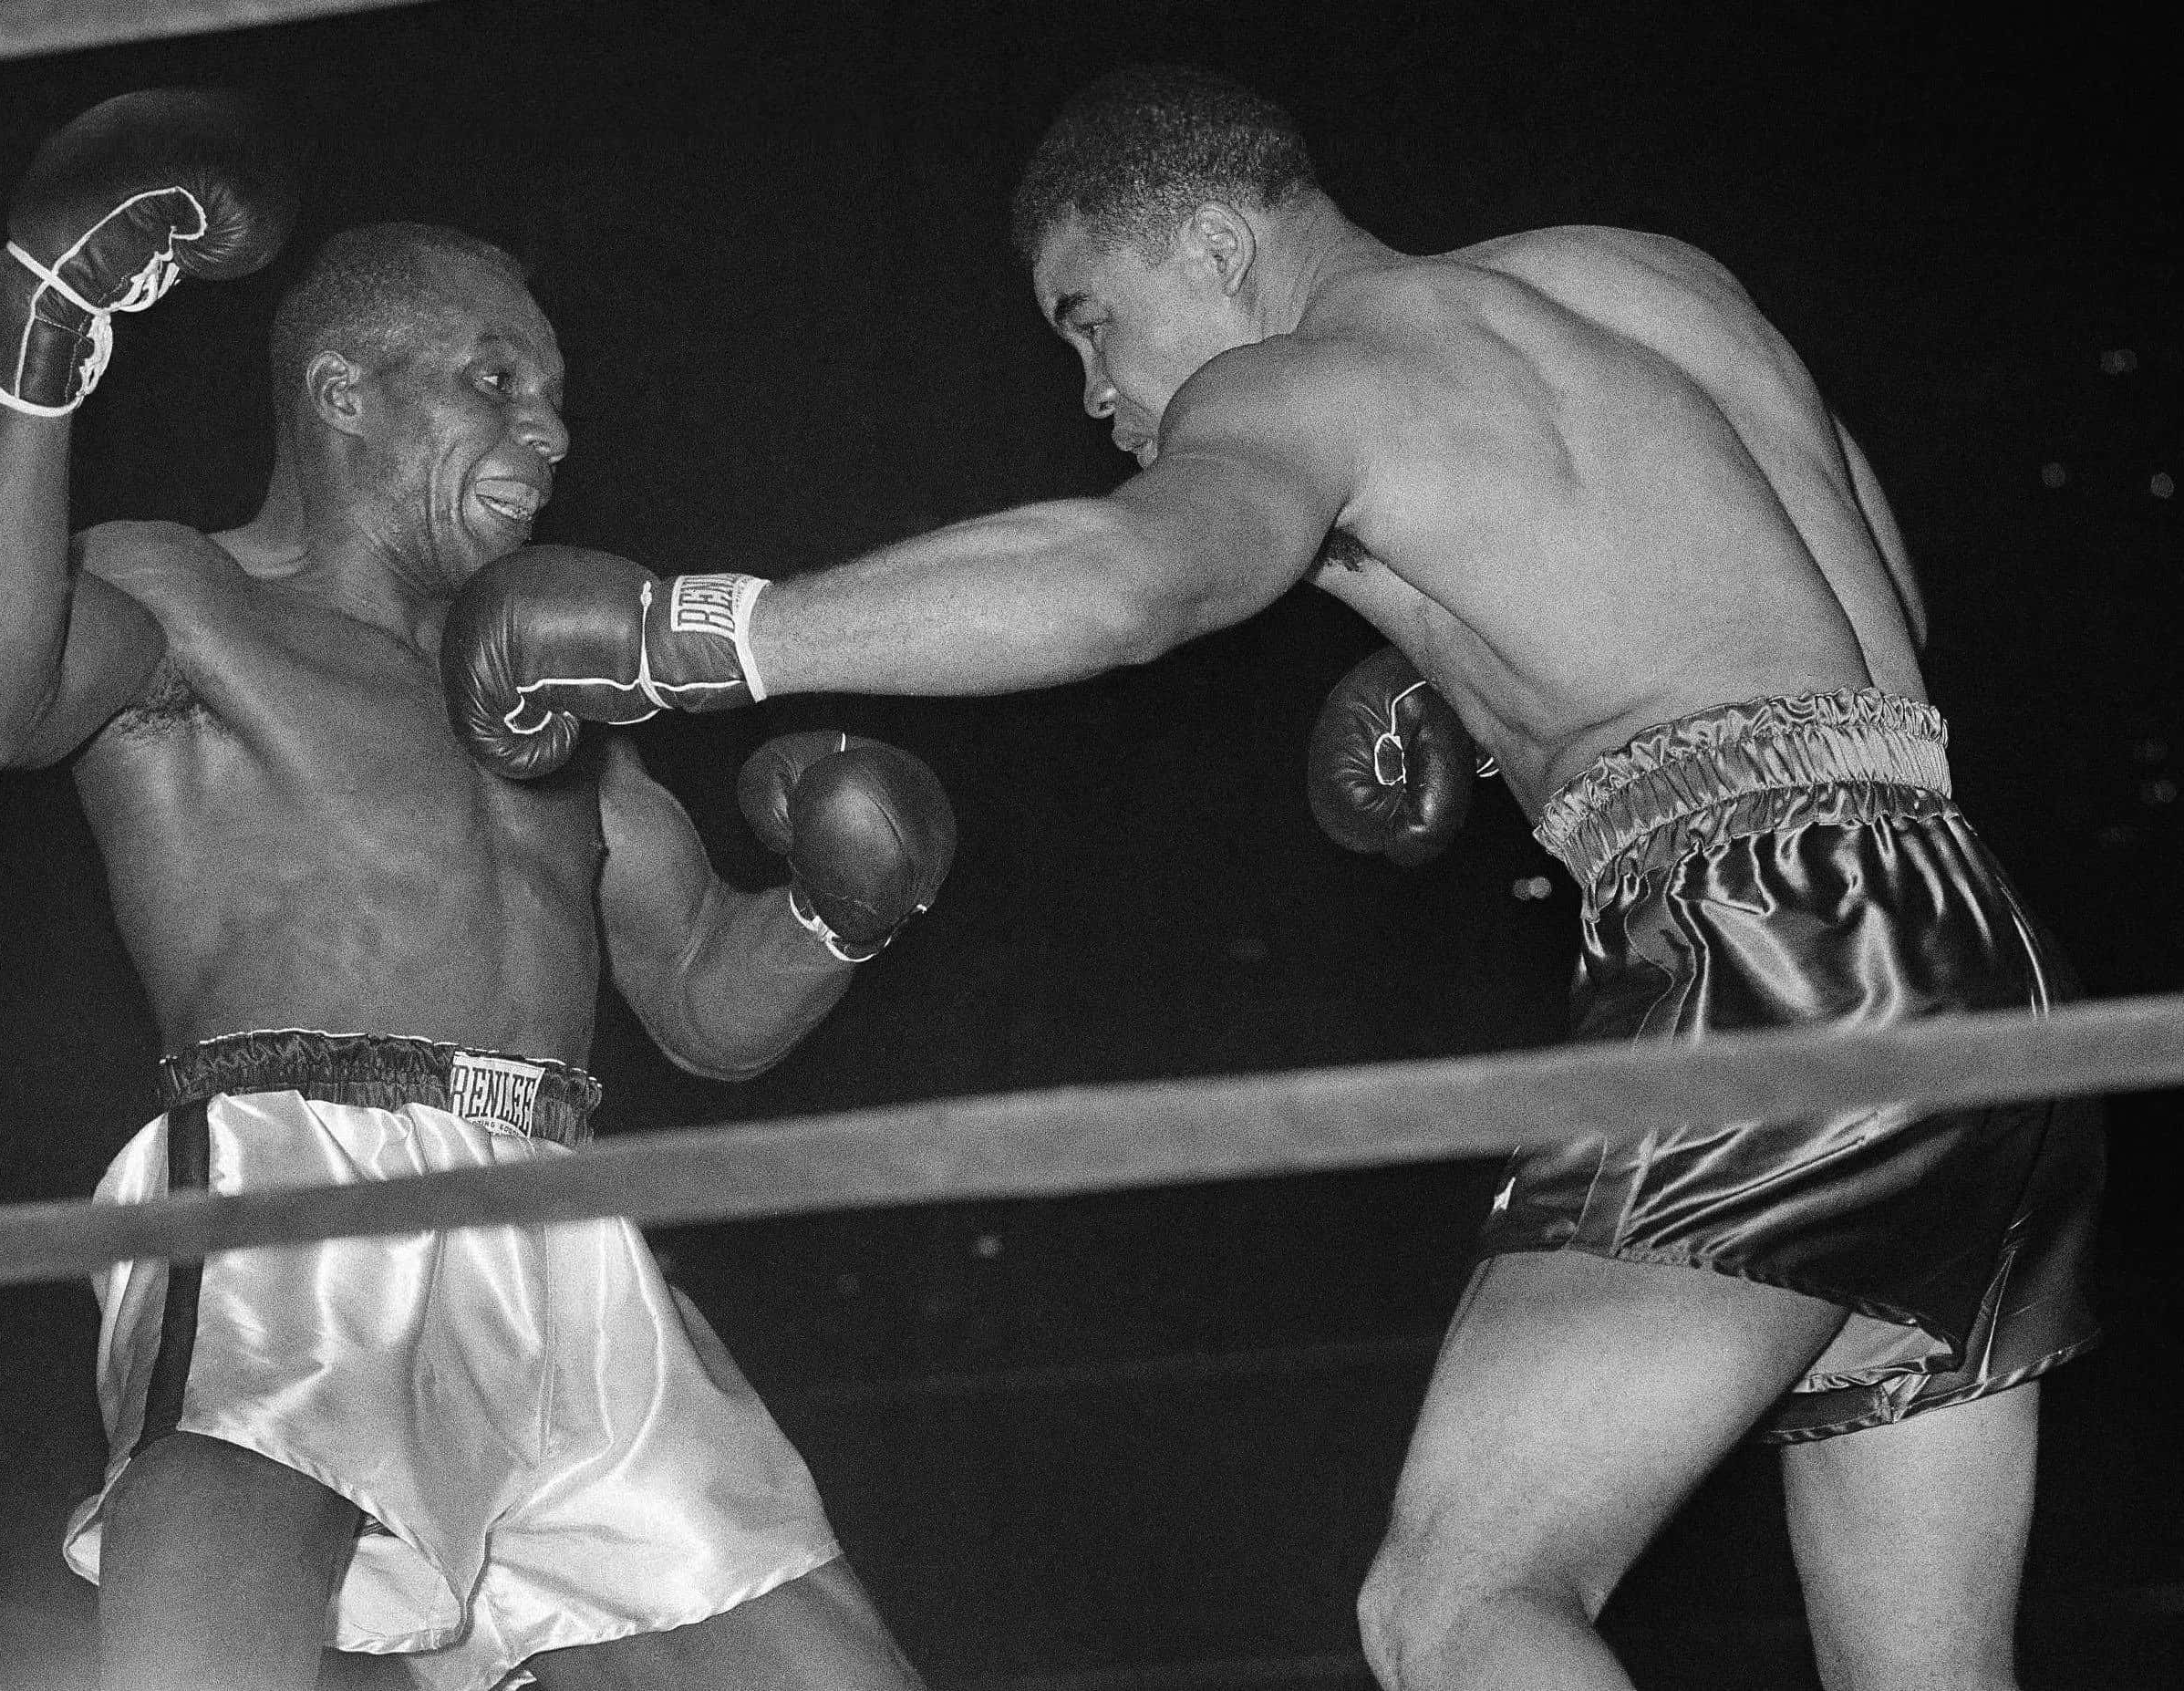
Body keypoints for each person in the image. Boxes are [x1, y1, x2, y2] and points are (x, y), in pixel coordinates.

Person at [454, 64, 2106, 1691]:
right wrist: (1493, 701)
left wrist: (703, 635)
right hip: (1983, 964)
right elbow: (1866, 620)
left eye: (1094, 319)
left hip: (1777, 964)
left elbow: (1125, 581)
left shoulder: (1310, 387)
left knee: (1458, 1603)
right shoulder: (1641, 285)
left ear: (1221, 248)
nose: (1095, 392)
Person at [0, 89, 949, 1691]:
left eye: (556, 398)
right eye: (495, 381)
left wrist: (842, 898)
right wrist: (38, 334)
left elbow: (704, 999)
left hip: (563, 1222)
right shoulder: (188, 594)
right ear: (344, 394)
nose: (551, 433)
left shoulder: (545, 696)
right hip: (302, 1179)